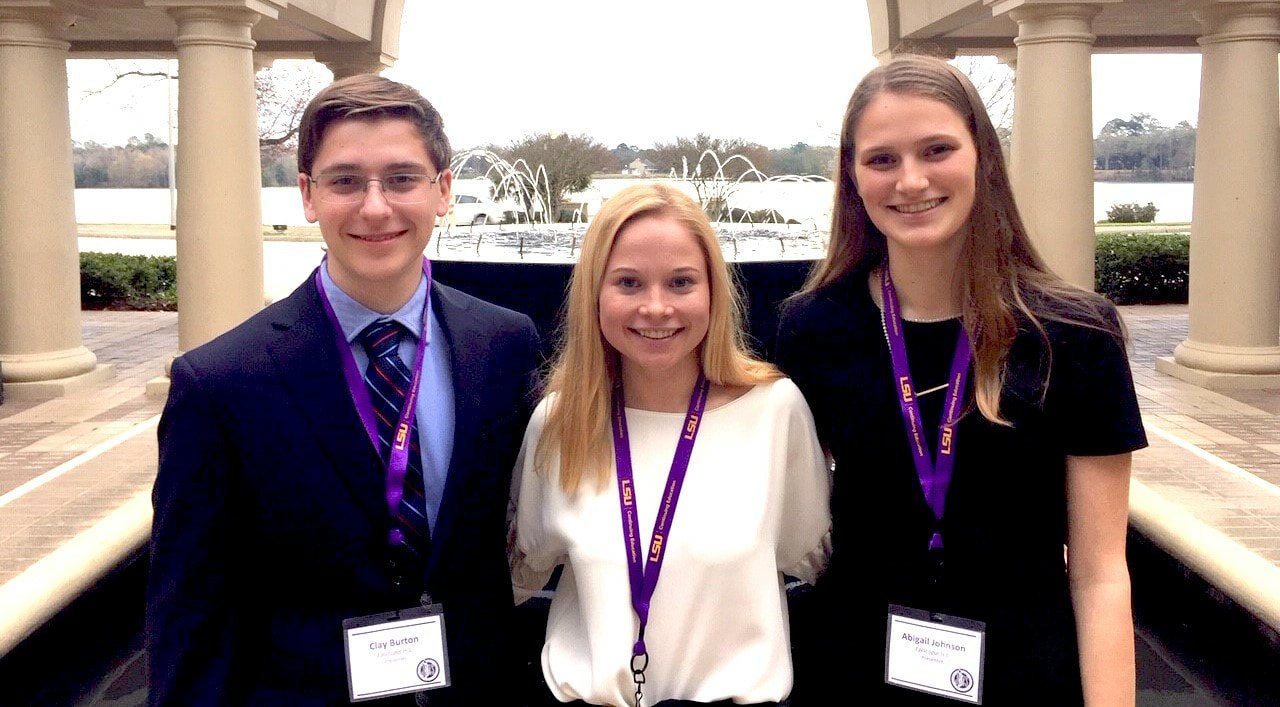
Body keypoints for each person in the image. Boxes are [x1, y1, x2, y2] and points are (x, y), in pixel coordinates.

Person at [147, 75, 539, 706]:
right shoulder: (219, 382)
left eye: (402, 179)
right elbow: (189, 608)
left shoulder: (506, 345)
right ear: (308, 195)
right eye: (346, 180)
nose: (375, 207)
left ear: (443, 191)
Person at [776, 55, 1146, 705]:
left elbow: (1098, 573)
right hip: (853, 664)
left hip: (1023, 670)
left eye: (936, 149)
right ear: (852, 175)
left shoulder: (1076, 334)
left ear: (983, 157)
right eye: (882, 159)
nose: (910, 180)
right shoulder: (813, 326)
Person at [511, 183, 830, 707]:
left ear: (713, 292)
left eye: (681, 282)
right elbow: (521, 572)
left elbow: (811, 558)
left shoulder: (775, 412)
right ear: (594, 292)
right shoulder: (561, 421)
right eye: (629, 283)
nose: (656, 308)